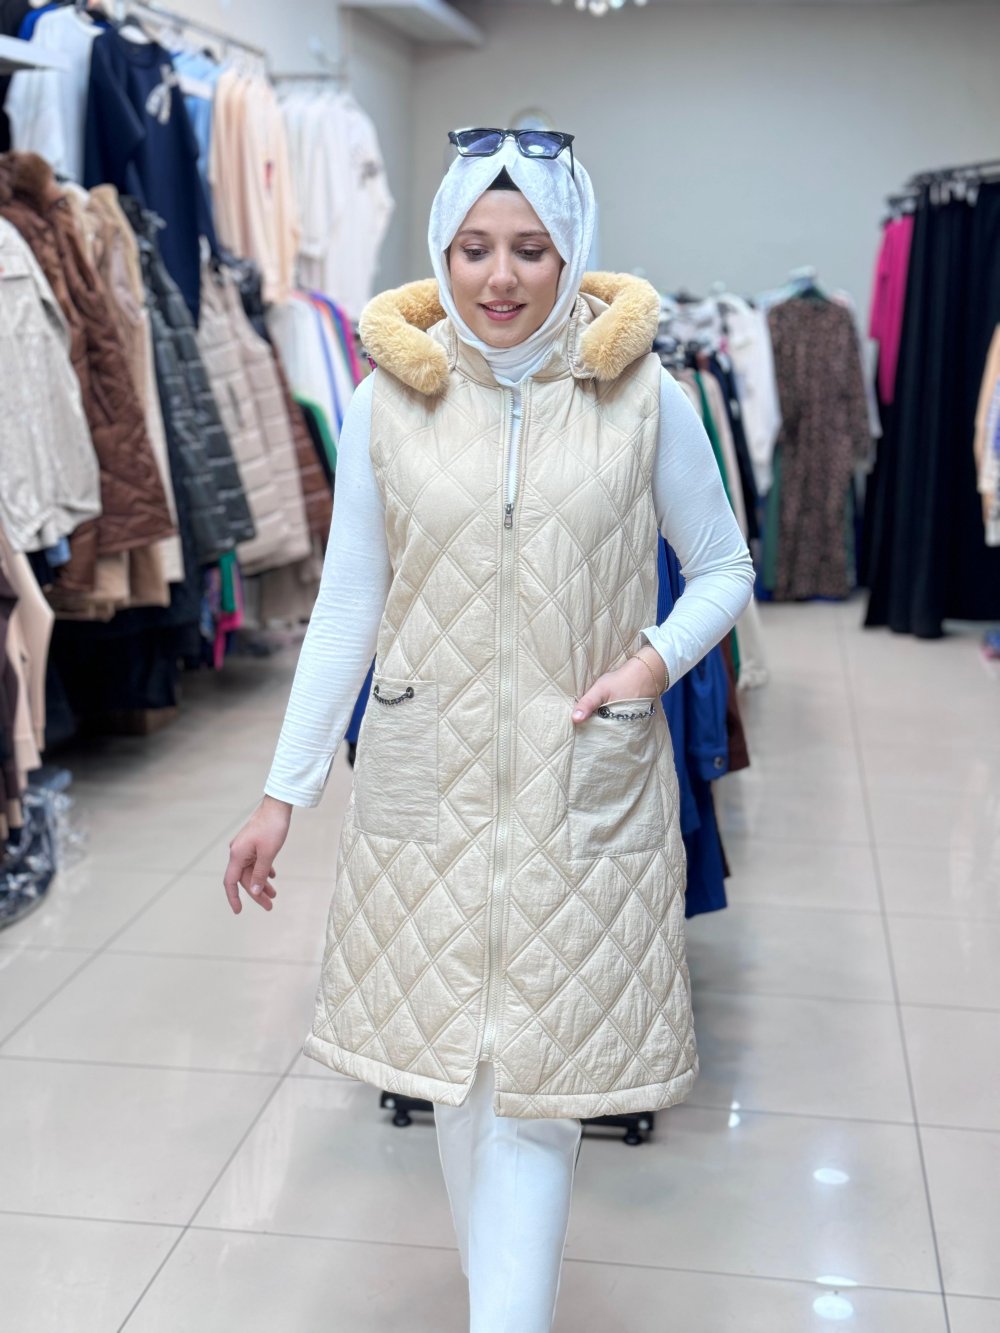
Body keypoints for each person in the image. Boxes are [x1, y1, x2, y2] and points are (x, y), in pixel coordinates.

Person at [223, 129, 755, 1333]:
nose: (500, 277)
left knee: (536, 1100)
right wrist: (281, 793)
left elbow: (723, 566)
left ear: (573, 253)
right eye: (473, 249)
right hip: (429, 792)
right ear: (440, 252)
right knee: (459, 1087)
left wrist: (649, 664)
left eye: (530, 248)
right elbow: (347, 607)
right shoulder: (386, 403)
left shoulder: (646, 397)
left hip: (584, 790)